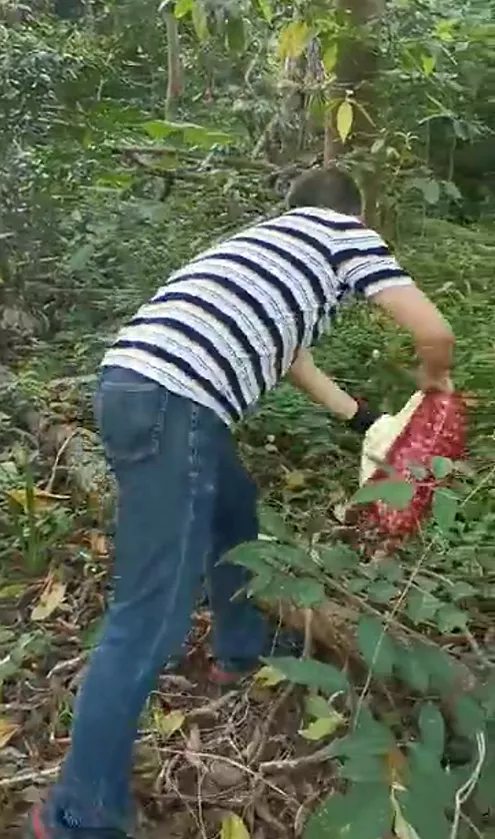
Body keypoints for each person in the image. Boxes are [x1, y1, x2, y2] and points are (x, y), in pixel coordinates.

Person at [26, 167, 454, 839]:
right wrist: (434, 391)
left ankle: (239, 644)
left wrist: (365, 420)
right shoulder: (341, 231)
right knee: (149, 617)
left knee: (235, 507)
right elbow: (434, 332)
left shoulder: (262, 246)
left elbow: (291, 360)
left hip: (133, 386)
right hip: (177, 404)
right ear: (356, 214)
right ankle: (77, 813)